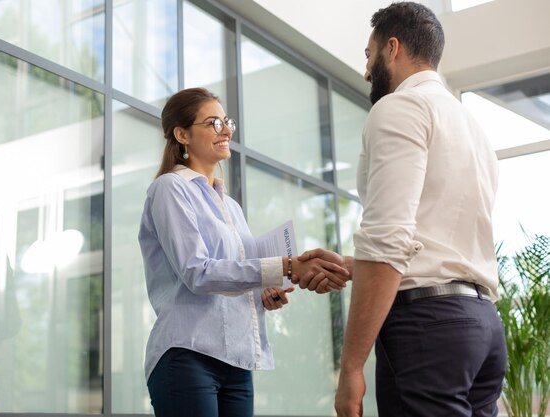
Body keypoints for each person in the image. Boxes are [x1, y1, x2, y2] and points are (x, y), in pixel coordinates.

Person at [301, 2, 507, 416]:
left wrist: (351, 368)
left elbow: (389, 238)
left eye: (368, 55)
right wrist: (351, 264)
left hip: (429, 329)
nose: (365, 71)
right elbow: (435, 243)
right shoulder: (473, 129)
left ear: (391, 48)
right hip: (483, 325)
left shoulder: (398, 108)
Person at [138, 87, 349, 417]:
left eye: (227, 121)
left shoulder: (230, 206)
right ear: (182, 134)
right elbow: (198, 272)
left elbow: (237, 275)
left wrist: (265, 292)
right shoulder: (170, 188)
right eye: (213, 123)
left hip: (237, 362)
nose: (226, 130)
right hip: (188, 353)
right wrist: (286, 265)